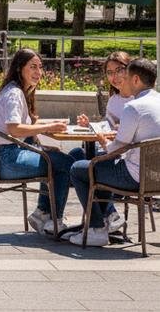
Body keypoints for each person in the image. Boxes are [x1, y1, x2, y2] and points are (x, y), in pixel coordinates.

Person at [0, 47, 82, 237]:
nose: (38, 72)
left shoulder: (15, 90)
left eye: (40, 67)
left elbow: (26, 124)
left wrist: (52, 124)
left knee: (63, 158)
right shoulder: (15, 94)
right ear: (20, 68)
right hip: (7, 159)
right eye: (33, 67)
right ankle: (53, 220)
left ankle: (43, 214)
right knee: (64, 164)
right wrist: (47, 128)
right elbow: (14, 128)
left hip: (3, 156)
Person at [68, 57, 160, 246]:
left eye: (125, 76)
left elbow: (116, 149)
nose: (122, 80)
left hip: (134, 176)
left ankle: (96, 229)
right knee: (98, 165)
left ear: (135, 80)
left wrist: (103, 141)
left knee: (79, 168)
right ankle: (107, 218)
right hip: (155, 177)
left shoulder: (133, 107)